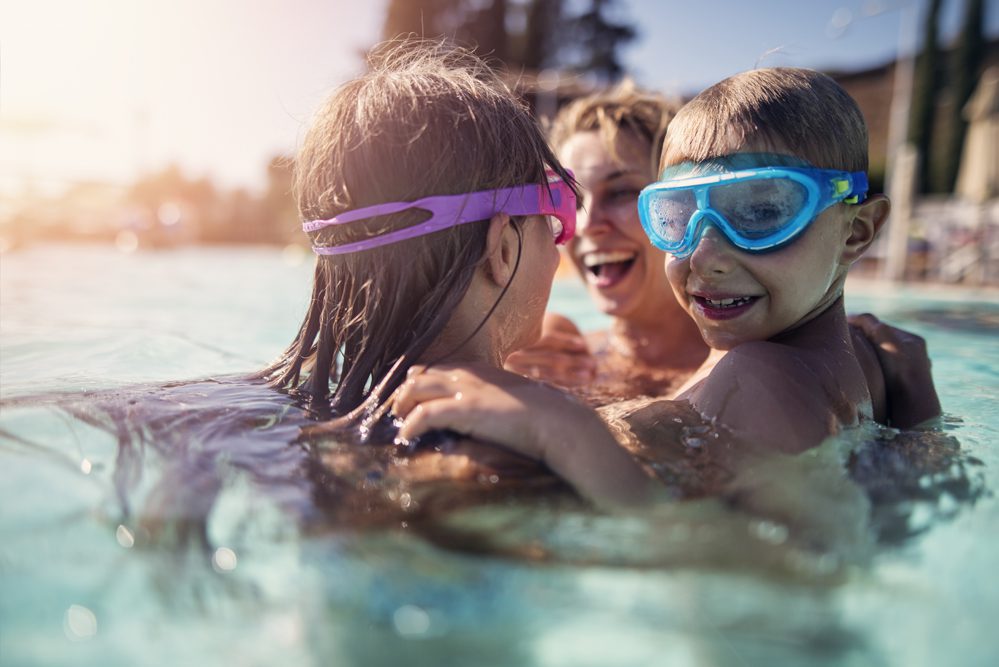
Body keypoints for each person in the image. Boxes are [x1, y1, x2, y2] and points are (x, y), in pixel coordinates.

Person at [392, 67, 942, 505]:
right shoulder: (553, 350)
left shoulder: (763, 375)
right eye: (677, 214)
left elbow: (781, 568)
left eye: (761, 211)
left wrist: (568, 430)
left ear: (858, 231)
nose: (707, 252)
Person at [260, 41, 654, 509]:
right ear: (502, 248)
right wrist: (578, 437)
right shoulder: (498, 461)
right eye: (556, 215)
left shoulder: (275, 404)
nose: (566, 241)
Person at [505, 81, 939, 429]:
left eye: (622, 192)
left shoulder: (765, 369)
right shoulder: (562, 350)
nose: (585, 224)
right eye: (570, 201)